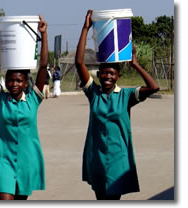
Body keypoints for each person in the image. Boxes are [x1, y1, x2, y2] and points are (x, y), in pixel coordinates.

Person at [75, 10, 159, 200]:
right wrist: (86, 28)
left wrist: (135, 64)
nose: (107, 76)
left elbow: (154, 87)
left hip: (117, 160)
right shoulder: (93, 93)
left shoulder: (127, 96)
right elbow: (79, 62)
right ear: (99, 74)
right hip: (96, 158)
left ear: (118, 76)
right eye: (104, 73)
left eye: (112, 73)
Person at [0, 15, 48, 200]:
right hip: (3, 161)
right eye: (10, 80)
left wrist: (44, 35)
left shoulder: (33, 100)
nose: (14, 83)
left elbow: (43, 66)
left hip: (26, 161)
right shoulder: (1, 99)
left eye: (18, 80)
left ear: (26, 84)